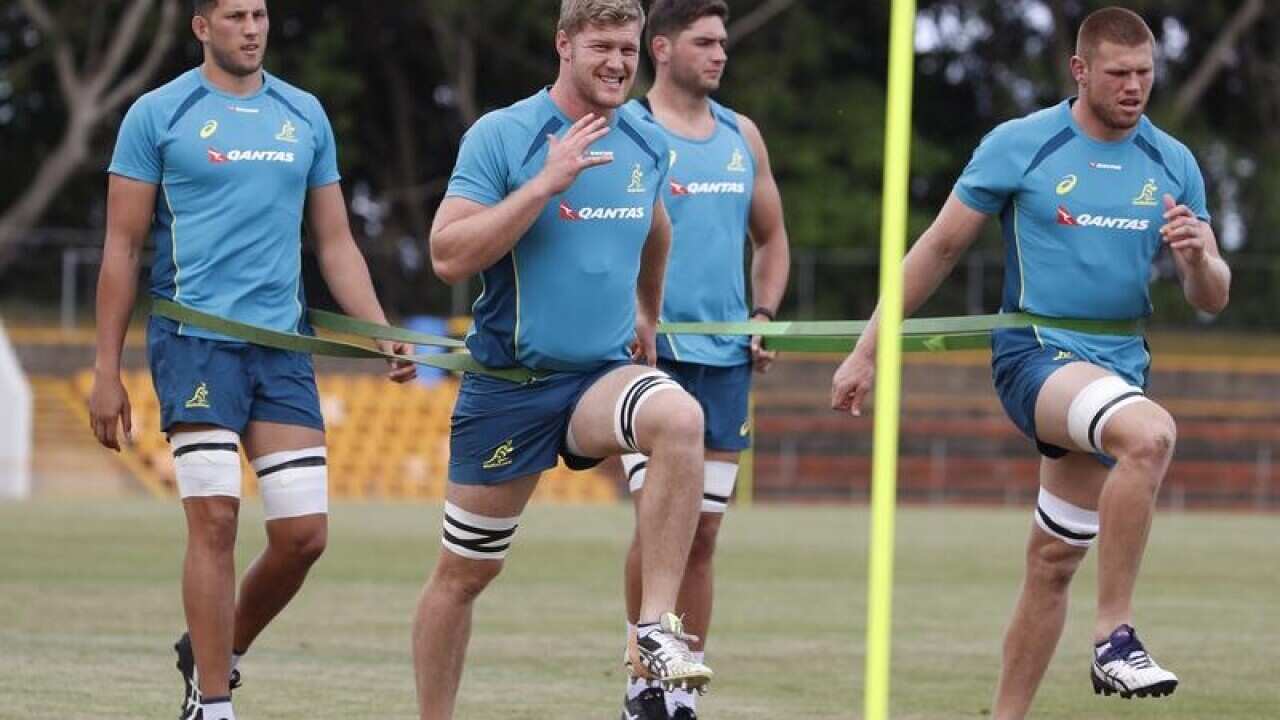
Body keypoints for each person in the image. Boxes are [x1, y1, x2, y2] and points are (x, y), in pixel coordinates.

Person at [830, 7, 1229, 719]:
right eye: (1118, 73)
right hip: (1036, 355)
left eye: (1145, 73)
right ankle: (1115, 636)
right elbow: (938, 249)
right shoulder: (1022, 145)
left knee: (1053, 561)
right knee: (1150, 435)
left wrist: (1199, 259)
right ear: (1080, 70)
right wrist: (868, 348)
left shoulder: (1174, 162)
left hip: (1118, 367)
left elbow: (1212, 297)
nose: (1134, 87)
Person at [88, 1, 416, 719]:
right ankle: (213, 705)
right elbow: (121, 247)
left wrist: (379, 330)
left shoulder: (304, 114)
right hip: (195, 344)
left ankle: (214, 651)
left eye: (260, 14)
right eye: (235, 15)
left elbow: (335, 242)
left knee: (303, 537)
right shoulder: (158, 114)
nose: (252, 28)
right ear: (202, 27)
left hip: (282, 351)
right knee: (215, 522)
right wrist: (106, 370)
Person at [412, 1, 716, 718]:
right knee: (464, 575)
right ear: (564, 45)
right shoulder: (503, 136)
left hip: (598, 380)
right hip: (508, 387)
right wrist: (543, 186)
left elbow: (657, 229)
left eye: (628, 48)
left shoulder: (645, 141)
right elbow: (446, 254)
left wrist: (647, 310)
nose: (618, 62)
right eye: (602, 46)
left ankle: (655, 630)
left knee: (679, 417)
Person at [616, 1, 790, 717]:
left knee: (704, 533)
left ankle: (681, 689)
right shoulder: (628, 128)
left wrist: (763, 314)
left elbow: (771, 240)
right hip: (649, 358)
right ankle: (642, 681)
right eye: (705, 41)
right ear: (661, 47)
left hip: (724, 365)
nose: (721, 53)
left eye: (723, 42)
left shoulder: (742, 135)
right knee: (657, 524)